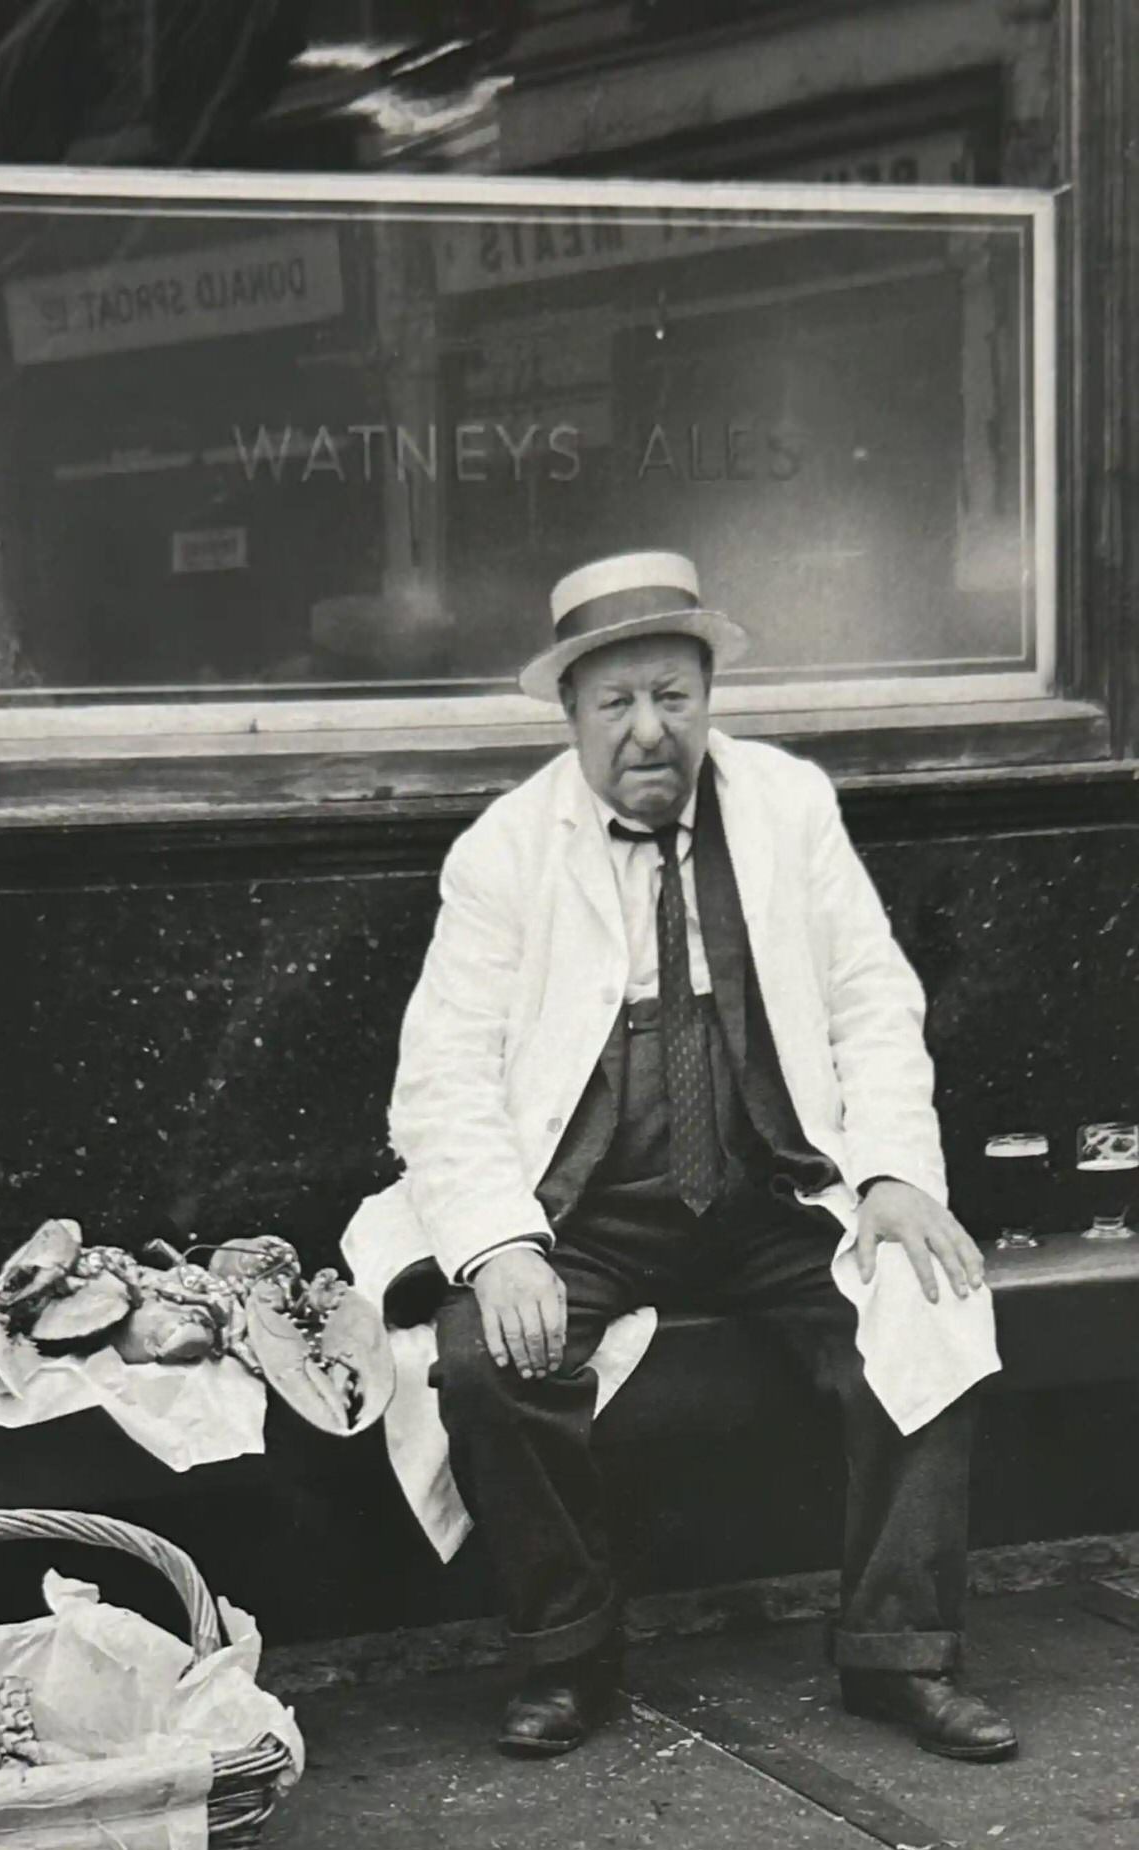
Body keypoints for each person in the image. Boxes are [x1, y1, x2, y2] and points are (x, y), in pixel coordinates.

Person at [343, 551, 1017, 1764]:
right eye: (617, 703)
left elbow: (870, 1001)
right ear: (571, 714)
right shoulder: (503, 849)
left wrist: (893, 1177)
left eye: (674, 697)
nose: (649, 731)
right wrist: (498, 1247)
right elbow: (439, 1078)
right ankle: (570, 1657)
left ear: (708, 698)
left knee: (929, 1298)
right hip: (587, 1201)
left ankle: (896, 1654)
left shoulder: (786, 807)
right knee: (485, 1365)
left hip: (769, 1188)